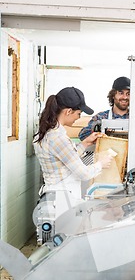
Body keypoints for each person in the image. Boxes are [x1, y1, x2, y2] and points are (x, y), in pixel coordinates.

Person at [33, 86, 113, 217]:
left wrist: (85, 142)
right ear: (68, 111)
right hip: (62, 201)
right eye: (79, 114)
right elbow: (84, 174)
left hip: (54, 197)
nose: (78, 118)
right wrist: (101, 164)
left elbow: (65, 158)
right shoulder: (58, 138)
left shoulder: (47, 132)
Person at [78, 76, 130, 141]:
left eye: (128, 94)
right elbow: (82, 136)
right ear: (113, 95)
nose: (125, 97)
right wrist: (97, 129)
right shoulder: (101, 117)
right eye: (121, 93)